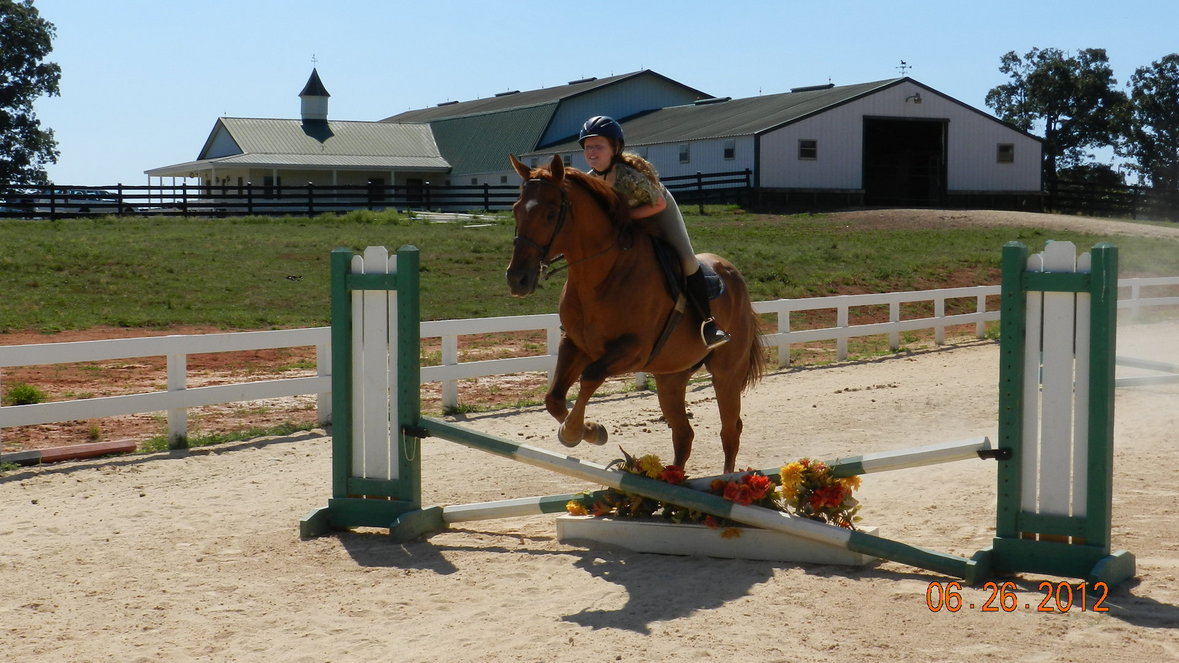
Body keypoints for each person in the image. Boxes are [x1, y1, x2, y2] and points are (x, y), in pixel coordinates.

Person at [578, 115, 731, 349]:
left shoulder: (627, 176)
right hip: (627, 222)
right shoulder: (590, 180)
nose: (592, 152)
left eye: (598, 146)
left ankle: (708, 324)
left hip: (659, 211)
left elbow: (657, 204)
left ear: (615, 148)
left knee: (687, 261)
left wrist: (625, 217)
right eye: (588, 147)